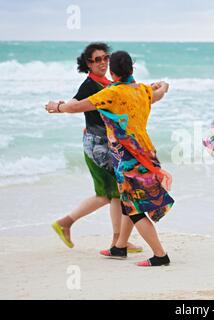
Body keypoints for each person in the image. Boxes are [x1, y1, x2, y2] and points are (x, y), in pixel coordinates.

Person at [46, 51, 174, 267]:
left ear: (113, 73)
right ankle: (119, 246)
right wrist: (163, 85)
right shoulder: (143, 90)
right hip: (146, 153)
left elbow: (76, 106)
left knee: (134, 210)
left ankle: (160, 255)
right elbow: (159, 93)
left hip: (127, 159)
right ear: (132, 69)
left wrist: (56, 107)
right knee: (127, 203)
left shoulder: (111, 93)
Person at [51, 43, 141, 253]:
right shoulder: (89, 85)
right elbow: (75, 102)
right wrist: (59, 107)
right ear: (88, 64)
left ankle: (118, 241)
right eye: (97, 59)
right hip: (97, 147)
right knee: (110, 194)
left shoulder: (108, 83)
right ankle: (67, 223)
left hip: (109, 145)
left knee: (115, 194)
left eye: (105, 58)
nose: (102, 62)